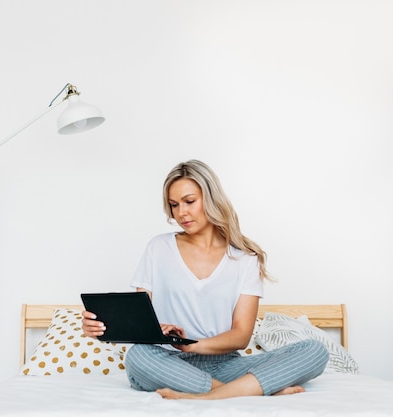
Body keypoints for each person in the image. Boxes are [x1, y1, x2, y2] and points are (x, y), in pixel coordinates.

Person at [81, 159, 329, 400]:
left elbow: (241, 336)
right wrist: (109, 327)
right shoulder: (159, 248)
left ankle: (207, 394)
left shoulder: (244, 259)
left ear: (210, 199)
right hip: (169, 363)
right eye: (174, 205)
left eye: (189, 201)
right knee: (138, 356)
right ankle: (241, 391)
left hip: (226, 365)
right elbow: (138, 320)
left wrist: (193, 344)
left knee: (314, 351)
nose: (181, 213)